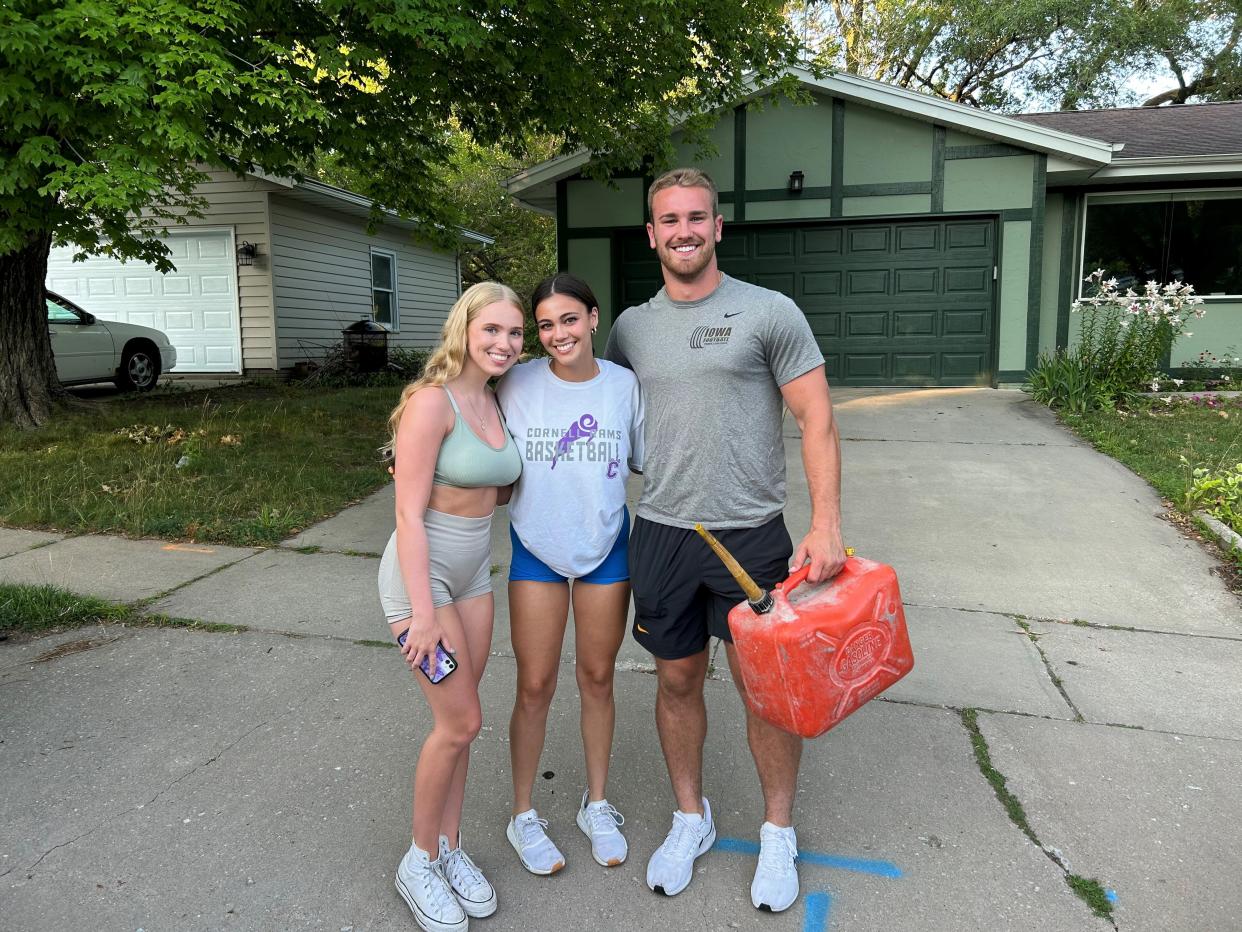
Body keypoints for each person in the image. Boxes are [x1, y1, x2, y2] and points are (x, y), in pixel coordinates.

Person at [604, 167, 847, 913]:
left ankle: (778, 832)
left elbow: (816, 419)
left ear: (717, 227)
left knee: (764, 692)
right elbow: (595, 416)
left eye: (696, 217)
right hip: (665, 534)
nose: (683, 230)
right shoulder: (629, 329)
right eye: (669, 219)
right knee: (676, 682)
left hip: (753, 537)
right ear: (652, 234)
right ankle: (691, 818)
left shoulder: (768, 312)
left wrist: (826, 520)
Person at [377, 281, 525, 932]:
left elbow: (495, 491)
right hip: (422, 582)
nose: (504, 343)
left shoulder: (494, 402)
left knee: (466, 719)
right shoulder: (431, 404)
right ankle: (416, 860)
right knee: (458, 722)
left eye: (515, 334)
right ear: (463, 329)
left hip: (473, 578)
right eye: (491, 330)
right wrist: (423, 610)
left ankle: (449, 848)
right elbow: (408, 514)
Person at [494, 273, 644, 875]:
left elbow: (643, 460)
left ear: (593, 318)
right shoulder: (517, 382)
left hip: (606, 544)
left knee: (598, 676)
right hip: (536, 548)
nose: (560, 334)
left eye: (571, 319)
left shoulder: (624, 385)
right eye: (547, 324)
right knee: (534, 684)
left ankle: (597, 804)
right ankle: (524, 814)